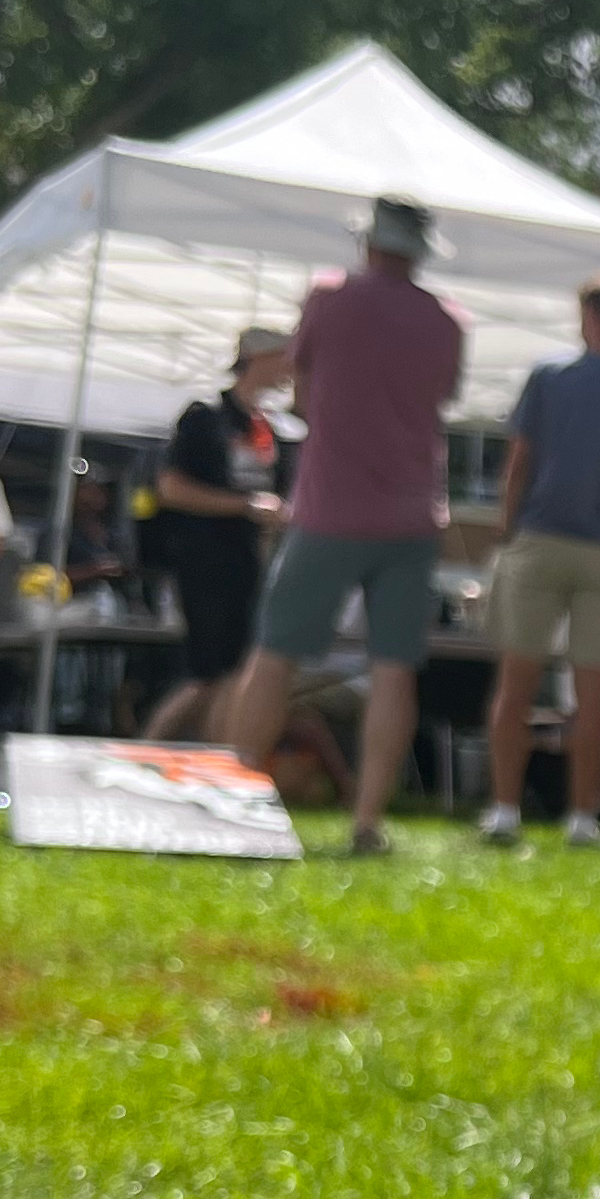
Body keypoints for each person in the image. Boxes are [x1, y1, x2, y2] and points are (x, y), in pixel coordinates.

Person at [226, 194, 468, 858]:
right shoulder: (447, 322)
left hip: (329, 509)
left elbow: (303, 391)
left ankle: (235, 800)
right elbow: (439, 399)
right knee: (395, 671)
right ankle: (366, 823)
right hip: (413, 515)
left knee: (274, 656)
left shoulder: (329, 299)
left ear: (369, 243)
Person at [481, 275, 600, 849]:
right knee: (594, 692)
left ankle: (506, 810)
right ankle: (583, 817)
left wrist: (509, 528)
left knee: (517, 684)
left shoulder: (550, 376)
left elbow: (520, 461)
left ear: (589, 314)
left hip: (543, 536)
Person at [144, 328, 296, 744]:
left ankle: (218, 754)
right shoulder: (205, 418)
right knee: (207, 671)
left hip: (250, 562)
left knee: (237, 671)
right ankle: (149, 746)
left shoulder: (270, 429)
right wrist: (245, 505)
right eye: (283, 356)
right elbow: (171, 488)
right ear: (256, 358)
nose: (290, 367)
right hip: (203, 559)